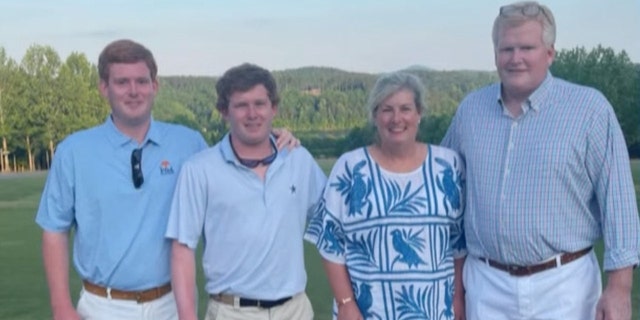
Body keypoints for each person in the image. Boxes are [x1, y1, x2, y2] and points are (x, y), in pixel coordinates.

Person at [35, 40, 297, 320]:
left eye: (141, 81)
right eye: (122, 82)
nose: (134, 91)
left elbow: (238, 157)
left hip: (171, 304)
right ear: (104, 88)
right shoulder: (74, 152)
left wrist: (273, 137)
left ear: (155, 86)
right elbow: (54, 230)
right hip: (101, 305)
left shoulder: (189, 143)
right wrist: (61, 306)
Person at [441, 2, 640, 319]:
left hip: (565, 287)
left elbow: (619, 204)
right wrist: (453, 288)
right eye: (506, 48)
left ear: (550, 53)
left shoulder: (589, 110)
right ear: (495, 54)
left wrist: (619, 288)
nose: (515, 58)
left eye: (527, 48)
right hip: (486, 285)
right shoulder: (470, 112)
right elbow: (446, 199)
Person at [167, 63, 326, 320]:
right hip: (232, 311)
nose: (252, 114)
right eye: (241, 105)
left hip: (295, 309)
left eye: (260, 104)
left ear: (273, 108)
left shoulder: (298, 160)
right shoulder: (199, 169)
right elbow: (182, 249)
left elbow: (333, 222)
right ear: (224, 112)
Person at [305, 71, 466, 320]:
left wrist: (457, 298)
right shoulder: (350, 168)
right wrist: (346, 302)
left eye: (405, 108)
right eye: (387, 109)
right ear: (375, 116)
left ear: (419, 113)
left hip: (437, 312)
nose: (396, 118)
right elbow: (330, 241)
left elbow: (459, 243)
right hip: (368, 313)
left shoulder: (448, 165)